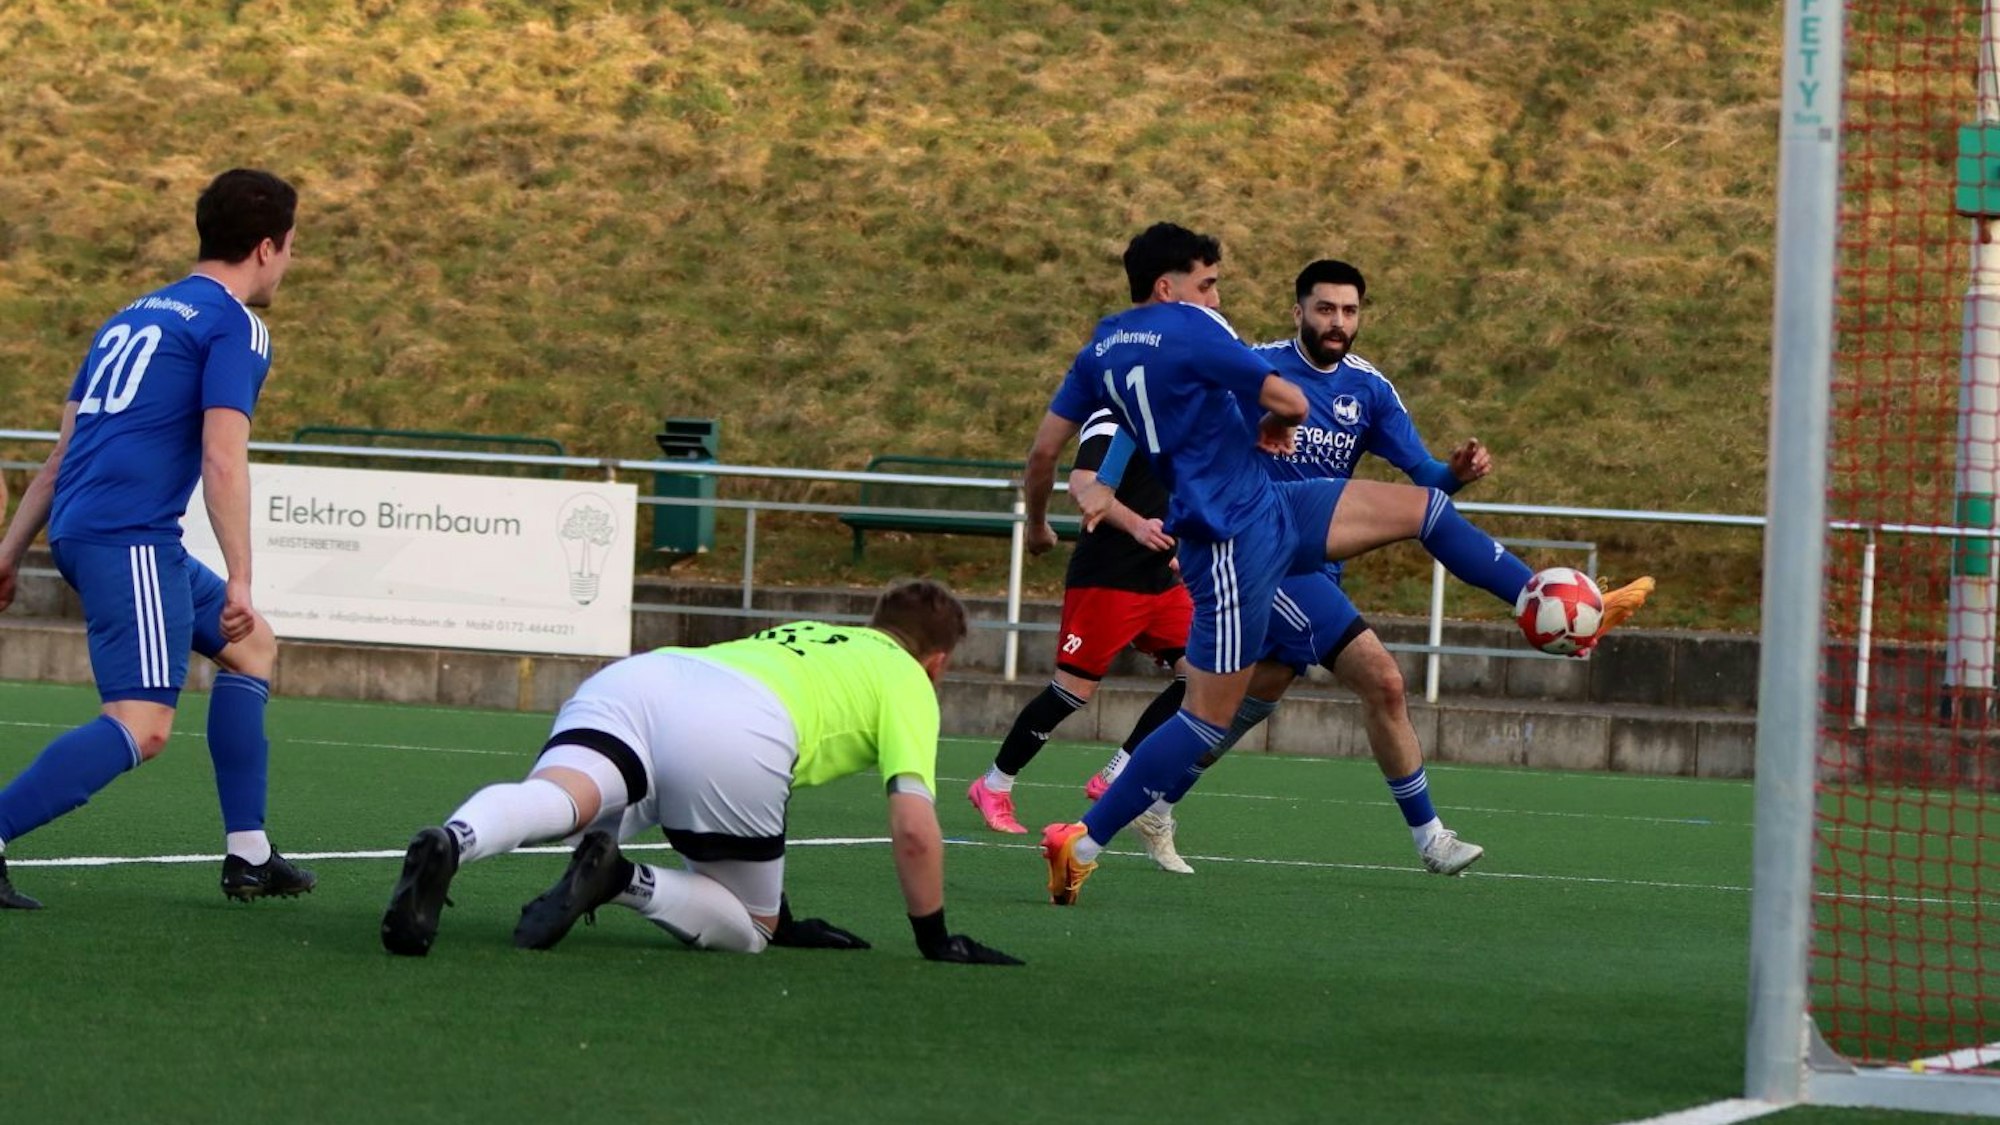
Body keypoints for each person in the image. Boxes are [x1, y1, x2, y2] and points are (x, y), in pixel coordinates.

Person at [1021, 223, 1653, 906]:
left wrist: (1040, 526)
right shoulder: (1197, 329)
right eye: (1208, 283)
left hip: (1272, 506)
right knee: (1206, 717)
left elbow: (1044, 454)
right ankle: (1083, 842)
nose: (1217, 296)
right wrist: (1275, 420)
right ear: (1167, 287)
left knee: (1425, 510)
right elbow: (1289, 400)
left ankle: (1538, 598)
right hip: (1231, 542)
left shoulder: (1100, 348)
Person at [1077, 259, 1549, 876]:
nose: (1337, 322)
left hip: (1315, 561)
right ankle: (1431, 837)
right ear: (1297, 311)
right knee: (1382, 679)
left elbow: (1426, 480)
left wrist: (1454, 474)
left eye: (1349, 311)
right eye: (1325, 309)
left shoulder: (1369, 390)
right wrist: (1105, 480)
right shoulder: (1256, 367)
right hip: (1257, 554)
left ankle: (1150, 802)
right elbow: (1157, 410)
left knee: (1248, 698)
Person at [381, 579, 1021, 965]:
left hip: (643, 679)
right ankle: (619, 880)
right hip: (736, 728)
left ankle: (454, 839)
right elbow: (913, 828)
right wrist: (936, 939)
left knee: (559, 797)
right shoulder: (908, 679)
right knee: (751, 929)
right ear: (938, 662)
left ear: (875, 623)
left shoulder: (808, 634)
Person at [0, 169, 314, 910]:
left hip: (94, 528)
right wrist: (241, 577)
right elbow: (222, 458)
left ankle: (249, 853)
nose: (290, 261)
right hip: (127, 536)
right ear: (265, 247)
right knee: (142, 726)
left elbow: (61, 455)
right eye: (291, 246)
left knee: (253, 647)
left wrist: (9, 552)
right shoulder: (235, 324)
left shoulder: (129, 317)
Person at [968, 406, 1199, 873]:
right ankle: (994, 784)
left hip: (1162, 579)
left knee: (1200, 678)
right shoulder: (1114, 416)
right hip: (1108, 578)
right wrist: (1138, 526)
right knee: (1071, 693)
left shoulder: (1179, 417)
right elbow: (1085, 484)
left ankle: (1117, 772)